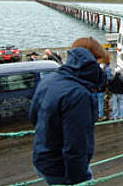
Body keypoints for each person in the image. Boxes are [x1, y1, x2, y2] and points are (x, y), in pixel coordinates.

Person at [29, 37, 110, 185]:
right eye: (99, 63)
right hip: (62, 169)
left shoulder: (50, 79)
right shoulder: (78, 94)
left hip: (42, 158)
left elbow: (33, 117)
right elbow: (75, 146)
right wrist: (80, 180)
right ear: (92, 61)